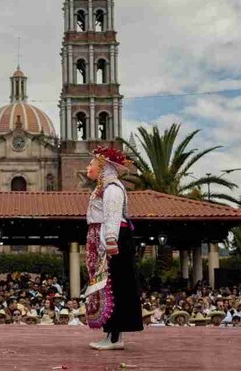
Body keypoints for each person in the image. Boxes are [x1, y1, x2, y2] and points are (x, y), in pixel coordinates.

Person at [84, 146, 144, 350]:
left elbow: (113, 215)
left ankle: (116, 336)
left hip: (113, 241)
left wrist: (110, 241)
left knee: (115, 286)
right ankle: (111, 334)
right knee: (107, 286)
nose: (88, 166)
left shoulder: (113, 189)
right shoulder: (104, 188)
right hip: (106, 239)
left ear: (103, 166)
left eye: (91, 163)